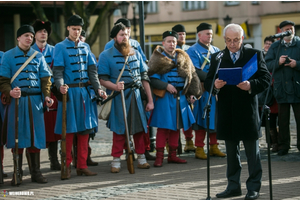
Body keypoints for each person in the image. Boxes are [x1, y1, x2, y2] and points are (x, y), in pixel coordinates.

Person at [205, 24, 271, 199]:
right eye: (228, 40)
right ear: (224, 39)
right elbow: (208, 81)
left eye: (235, 40)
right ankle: (233, 186)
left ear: (242, 39)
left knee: (252, 153)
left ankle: (253, 188)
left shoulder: (254, 55)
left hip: (247, 110)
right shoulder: (217, 57)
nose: (232, 44)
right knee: (232, 154)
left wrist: (251, 85)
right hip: (227, 111)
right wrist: (215, 86)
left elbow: (265, 78)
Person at [52, 14, 107, 179]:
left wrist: (99, 89)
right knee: (68, 132)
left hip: (84, 94)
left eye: (79, 29)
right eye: (74, 29)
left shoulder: (86, 47)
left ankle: (82, 165)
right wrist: (60, 85)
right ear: (68, 28)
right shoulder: (60, 47)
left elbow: (92, 72)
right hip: (69, 94)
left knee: (84, 132)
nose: (76, 32)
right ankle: (66, 166)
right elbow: (58, 72)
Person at [0, 25, 54, 185]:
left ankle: (36, 173)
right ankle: (17, 173)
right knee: (18, 137)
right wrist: (10, 92)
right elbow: (3, 80)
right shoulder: (8, 56)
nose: (29, 38)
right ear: (18, 38)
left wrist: (46, 96)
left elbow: (45, 79)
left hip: (35, 102)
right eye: (26, 35)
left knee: (35, 137)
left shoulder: (38, 56)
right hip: (17, 103)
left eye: (31, 36)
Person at [98, 22, 154, 173]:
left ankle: (141, 158)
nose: (125, 37)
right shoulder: (105, 55)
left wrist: (150, 100)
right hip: (118, 96)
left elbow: (144, 77)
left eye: (127, 34)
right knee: (119, 129)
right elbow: (102, 79)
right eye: (121, 35)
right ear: (115, 37)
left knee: (140, 129)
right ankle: (116, 160)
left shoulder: (135, 51)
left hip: (136, 96)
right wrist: (115, 87)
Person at [148, 30, 202, 167]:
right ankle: (159, 157)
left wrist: (191, 93)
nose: (171, 44)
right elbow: (152, 79)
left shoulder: (183, 57)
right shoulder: (157, 58)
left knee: (176, 128)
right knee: (162, 128)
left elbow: (191, 76)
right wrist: (166, 86)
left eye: (174, 41)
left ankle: (173, 155)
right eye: (169, 41)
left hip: (180, 97)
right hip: (165, 98)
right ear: (163, 43)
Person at [186, 23, 226, 159]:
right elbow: (195, 71)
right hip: (201, 89)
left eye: (211, 34)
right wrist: (212, 80)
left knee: (215, 118)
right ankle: (199, 148)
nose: (210, 36)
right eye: (207, 33)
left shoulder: (216, 49)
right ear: (199, 35)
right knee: (201, 119)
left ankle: (214, 146)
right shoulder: (192, 51)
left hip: (215, 89)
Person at [265, 20, 300, 156]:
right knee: (283, 120)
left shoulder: (299, 43)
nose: (289, 31)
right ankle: (284, 145)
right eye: (287, 29)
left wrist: (296, 64)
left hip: (297, 87)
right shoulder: (275, 46)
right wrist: (278, 62)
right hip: (281, 89)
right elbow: (267, 64)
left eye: (291, 28)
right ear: (281, 31)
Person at [31, 19, 61, 171]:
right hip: (35, 94)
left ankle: (54, 160)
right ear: (34, 35)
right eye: (40, 31)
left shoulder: (55, 50)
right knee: (36, 127)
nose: (43, 33)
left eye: (45, 31)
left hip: (53, 93)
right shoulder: (29, 52)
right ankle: (33, 165)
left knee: (53, 127)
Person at [258, 36, 278, 152]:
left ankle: (275, 142)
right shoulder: (260, 55)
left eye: (270, 44)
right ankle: (269, 142)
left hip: (274, 92)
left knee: (273, 119)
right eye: (266, 43)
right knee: (265, 119)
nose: (267, 46)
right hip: (263, 93)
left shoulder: (276, 56)